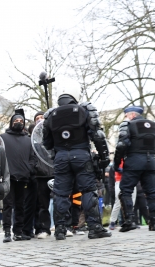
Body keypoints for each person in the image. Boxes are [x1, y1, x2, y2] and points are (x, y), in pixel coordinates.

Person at [43, 89, 111, 240]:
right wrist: (103, 157)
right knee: (88, 190)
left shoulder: (50, 115)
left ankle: (60, 229)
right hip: (81, 155)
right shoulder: (84, 109)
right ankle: (94, 228)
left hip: (61, 157)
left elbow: (46, 142)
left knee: (60, 193)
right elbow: (97, 135)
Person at [113, 105, 155, 232]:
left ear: (132, 115)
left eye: (127, 115)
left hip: (134, 161)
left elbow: (122, 145)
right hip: (151, 162)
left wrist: (117, 163)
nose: (126, 117)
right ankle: (154, 222)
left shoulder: (128, 125)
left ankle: (129, 221)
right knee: (152, 193)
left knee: (125, 190)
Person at [0, 109, 36, 242]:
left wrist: (29, 168)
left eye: (21, 121)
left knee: (21, 205)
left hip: (23, 176)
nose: (19, 122)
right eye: (16, 120)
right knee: (7, 205)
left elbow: (33, 157)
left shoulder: (27, 140)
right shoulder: (3, 138)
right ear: (11, 122)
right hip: (9, 176)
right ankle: (7, 232)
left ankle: (18, 231)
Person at [30, 111, 54, 238]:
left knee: (61, 201)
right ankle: (44, 228)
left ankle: (63, 226)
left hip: (55, 173)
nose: (39, 120)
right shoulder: (33, 141)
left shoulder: (53, 136)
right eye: (37, 118)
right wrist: (36, 168)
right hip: (41, 175)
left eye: (41, 117)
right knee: (42, 204)